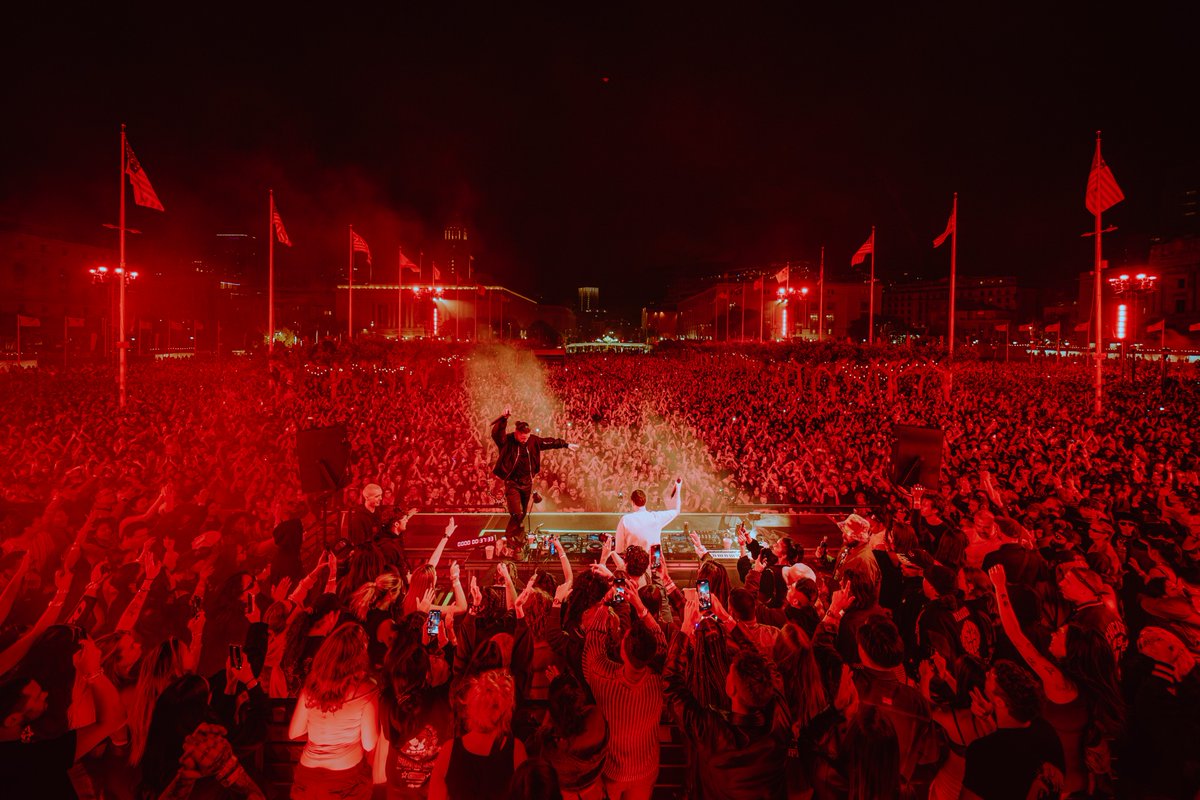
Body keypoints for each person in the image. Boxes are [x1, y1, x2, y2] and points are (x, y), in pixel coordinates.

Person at [0, 634, 126, 800]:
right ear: (13, 720)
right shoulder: (31, 755)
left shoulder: (22, 745)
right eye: (37, 697)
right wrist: (93, 671)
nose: (45, 694)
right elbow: (114, 719)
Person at [288, 623, 378, 800]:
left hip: (308, 778)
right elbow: (369, 743)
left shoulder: (312, 688)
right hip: (346, 780)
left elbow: (294, 732)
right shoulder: (366, 690)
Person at [961, 660, 1064, 800]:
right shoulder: (1047, 730)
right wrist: (989, 717)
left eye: (991, 676)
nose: (986, 673)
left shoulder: (980, 753)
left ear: (1000, 702)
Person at [429, 668, 527, 800]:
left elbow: (435, 797)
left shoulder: (449, 750)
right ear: (506, 712)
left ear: (471, 706)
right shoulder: (516, 750)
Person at [491, 409, 578, 543]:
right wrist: (503, 420)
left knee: (523, 513)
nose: (524, 438)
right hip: (512, 482)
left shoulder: (533, 441)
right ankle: (510, 537)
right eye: (522, 436)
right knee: (516, 512)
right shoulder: (507, 441)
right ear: (516, 432)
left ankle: (515, 538)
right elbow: (497, 434)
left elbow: (549, 442)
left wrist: (565, 444)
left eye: (527, 435)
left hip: (527, 482)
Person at [614, 479, 682, 554]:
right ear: (645, 501)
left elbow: (619, 550)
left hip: (633, 564)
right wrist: (678, 488)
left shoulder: (625, 520)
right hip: (654, 563)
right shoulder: (656, 517)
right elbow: (677, 510)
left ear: (632, 502)